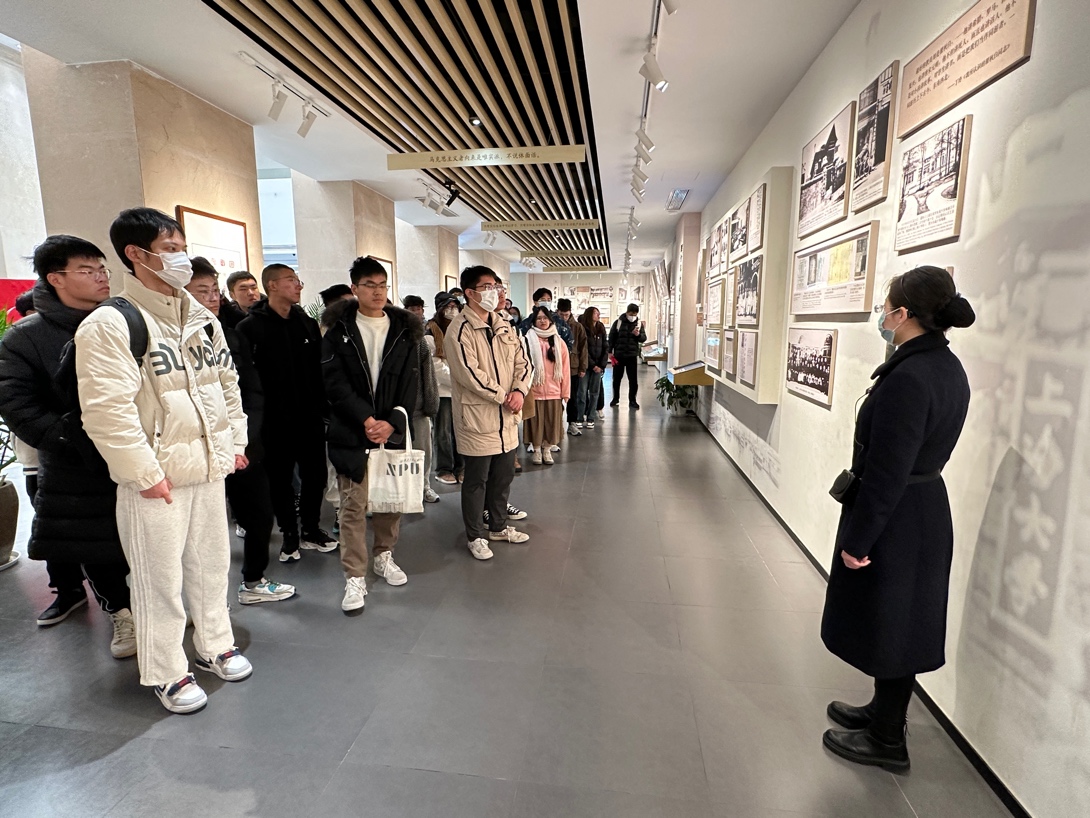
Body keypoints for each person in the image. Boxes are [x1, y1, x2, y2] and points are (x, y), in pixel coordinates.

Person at [75, 207, 252, 714]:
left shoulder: (202, 319)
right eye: (170, 249)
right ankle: (167, 670)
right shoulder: (112, 323)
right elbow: (107, 411)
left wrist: (235, 443)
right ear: (136, 254)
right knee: (158, 580)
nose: (181, 259)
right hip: (157, 478)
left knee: (211, 566)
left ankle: (216, 643)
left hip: (208, 467)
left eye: (181, 248)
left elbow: (227, 385)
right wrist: (144, 473)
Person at [820, 266, 976, 773]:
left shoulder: (909, 377)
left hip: (899, 515)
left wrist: (859, 539)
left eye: (885, 308)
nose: (882, 316)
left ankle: (888, 738)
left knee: (893, 620)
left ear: (903, 314)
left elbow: (888, 470)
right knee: (898, 618)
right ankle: (882, 710)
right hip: (923, 507)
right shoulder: (946, 366)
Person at [0, 236, 135, 655]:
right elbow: (17, 404)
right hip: (78, 464)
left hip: (139, 451)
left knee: (149, 538)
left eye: (102, 269)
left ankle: (159, 607)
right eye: (86, 270)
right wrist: (72, 437)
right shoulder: (27, 336)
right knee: (96, 545)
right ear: (55, 278)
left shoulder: (126, 319)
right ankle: (122, 614)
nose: (100, 277)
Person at [186, 259, 295, 605]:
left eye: (213, 290)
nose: (212, 298)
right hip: (193, 450)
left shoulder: (230, 336)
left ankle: (253, 581)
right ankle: (199, 601)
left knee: (260, 513)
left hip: (241, 445)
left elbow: (249, 391)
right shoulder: (166, 338)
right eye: (201, 292)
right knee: (199, 530)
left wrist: (243, 440)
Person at [322, 256, 421, 610]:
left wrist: (393, 421)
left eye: (382, 285)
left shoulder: (404, 330)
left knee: (389, 501)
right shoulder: (338, 331)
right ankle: (354, 576)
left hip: (390, 429)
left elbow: (411, 381)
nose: (378, 292)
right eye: (369, 286)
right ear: (354, 289)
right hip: (352, 430)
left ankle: (383, 555)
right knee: (352, 506)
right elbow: (333, 383)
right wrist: (365, 419)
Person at [238, 264, 337, 561]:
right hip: (272, 421)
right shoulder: (249, 328)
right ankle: (289, 535)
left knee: (315, 476)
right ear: (272, 285)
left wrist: (323, 408)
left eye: (298, 280)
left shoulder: (305, 323)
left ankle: (310, 530)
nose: (298, 285)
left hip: (309, 417)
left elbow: (319, 369)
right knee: (280, 480)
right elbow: (245, 379)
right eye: (291, 280)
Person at [444, 266, 531, 560]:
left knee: (502, 478)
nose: (494, 291)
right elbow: (469, 373)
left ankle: (498, 526)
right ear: (470, 293)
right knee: (476, 481)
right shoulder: (459, 330)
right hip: (478, 417)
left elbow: (523, 362)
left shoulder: (504, 324)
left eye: (496, 285)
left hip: (507, 417)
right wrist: (503, 396)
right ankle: (475, 535)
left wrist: (519, 391)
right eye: (487, 287)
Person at [402, 295, 440, 504]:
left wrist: (430, 404)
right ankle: (402, 490)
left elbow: (429, 375)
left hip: (418, 409)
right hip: (392, 411)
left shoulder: (419, 341)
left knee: (423, 450)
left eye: (418, 308)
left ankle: (424, 486)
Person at [525, 307, 571, 466]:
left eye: (545, 318)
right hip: (534, 391)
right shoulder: (527, 340)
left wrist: (565, 392)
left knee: (552, 423)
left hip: (554, 391)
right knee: (535, 423)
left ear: (551, 320)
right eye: (539, 318)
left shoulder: (559, 342)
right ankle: (537, 450)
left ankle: (547, 449)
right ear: (534, 321)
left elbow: (565, 369)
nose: (542, 321)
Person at [427, 291, 463, 485]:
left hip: (462, 390)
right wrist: (458, 379)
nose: (452, 310)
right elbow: (435, 366)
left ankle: (461, 467)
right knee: (443, 432)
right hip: (443, 391)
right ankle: (444, 469)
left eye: (455, 307)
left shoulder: (461, 328)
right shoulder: (431, 332)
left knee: (461, 431)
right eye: (448, 307)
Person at [556, 298, 588, 436]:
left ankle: (572, 423)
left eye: (566, 315)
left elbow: (583, 348)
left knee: (573, 397)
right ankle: (556, 424)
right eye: (561, 314)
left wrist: (582, 368)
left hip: (573, 367)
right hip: (555, 367)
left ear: (570, 312)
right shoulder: (552, 324)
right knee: (555, 397)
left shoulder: (577, 327)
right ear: (557, 311)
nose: (564, 317)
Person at [609, 303, 646, 409]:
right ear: (627, 312)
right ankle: (615, 398)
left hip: (632, 356)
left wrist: (638, 335)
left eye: (635, 314)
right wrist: (609, 351)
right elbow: (612, 337)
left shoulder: (639, 324)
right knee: (616, 379)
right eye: (631, 314)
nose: (632, 316)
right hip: (619, 355)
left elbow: (643, 338)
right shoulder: (618, 322)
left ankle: (632, 400)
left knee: (633, 380)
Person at [578, 307, 608, 429]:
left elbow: (605, 347)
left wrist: (601, 365)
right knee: (582, 392)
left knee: (595, 393)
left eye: (598, 312)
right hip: (586, 366)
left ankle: (591, 418)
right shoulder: (583, 328)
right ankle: (580, 417)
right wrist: (592, 365)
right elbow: (583, 349)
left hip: (598, 367)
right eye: (595, 313)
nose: (598, 315)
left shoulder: (601, 327)